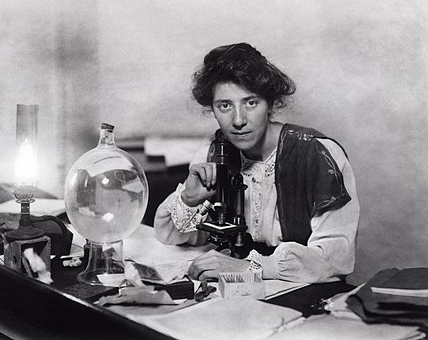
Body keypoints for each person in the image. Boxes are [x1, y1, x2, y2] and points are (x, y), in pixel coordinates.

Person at [154, 43, 359, 283]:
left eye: (250, 102)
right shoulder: (215, 149)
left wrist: (249, 268)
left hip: (304, 289)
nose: (238, 120)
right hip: (238, 289)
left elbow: (335, 259)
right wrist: (188, 200)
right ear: (212, 109)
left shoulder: (317, 154)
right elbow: (169, 236)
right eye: (225, 105)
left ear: (270, 104)